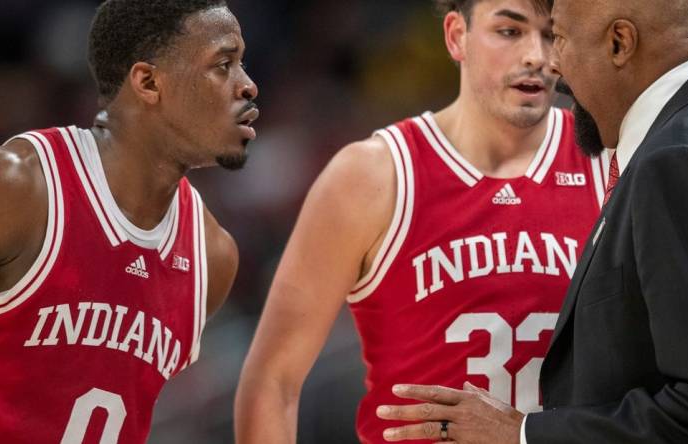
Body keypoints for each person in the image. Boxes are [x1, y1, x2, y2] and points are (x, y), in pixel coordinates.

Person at [375, 0, 688, 442]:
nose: (553, 65)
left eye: (559, 38)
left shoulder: (677, 162)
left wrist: (522, 433)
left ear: (620, 43)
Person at [235, 0, 610, 442]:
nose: (535, 56)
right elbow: (272, 382)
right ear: (456, 36)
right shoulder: (373, 175)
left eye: (551, 36)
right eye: (510, 32)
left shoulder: (610, 164)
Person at [0, 0, 258, 442]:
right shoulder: (13, 189)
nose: (247, 87)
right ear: (148, 82)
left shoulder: (213, 256)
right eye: (223, 65)